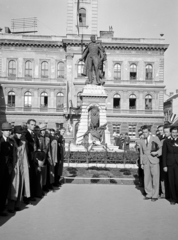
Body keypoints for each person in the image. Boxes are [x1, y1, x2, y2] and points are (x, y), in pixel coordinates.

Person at [8, 126, 30, 212]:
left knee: (20, 185)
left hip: (21, 166)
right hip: (13, 167)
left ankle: (18, 204)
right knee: (13, 187)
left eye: (21, 133)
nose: (20, 135)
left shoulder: (23, 142)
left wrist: (26, 165)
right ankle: (10, 206)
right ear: (14, 133)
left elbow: (24, 156)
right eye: (18, 133)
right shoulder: (11, 141)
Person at [139, 125, 162, 201]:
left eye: (146, 132)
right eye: (143, 132)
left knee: (155, 178)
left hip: (154, 160)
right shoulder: (142, 140)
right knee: (147, 178)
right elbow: (141, 153)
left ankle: (155, 195)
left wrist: (157, 153)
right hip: (146, 161)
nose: (144, 133)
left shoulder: (155, 138)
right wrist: (141, 163)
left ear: (149, 132)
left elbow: (161, 148)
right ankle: (149, 194)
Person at [21, 119, 39, 203]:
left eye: (34, 125)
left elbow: (36, 146)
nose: (33, 126)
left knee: (33, 177)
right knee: (27, 177)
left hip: (34, 159)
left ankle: (31, 194)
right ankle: (26, 196)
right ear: (27, 125)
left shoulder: (34, 134)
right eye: (31, 124)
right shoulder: (24, 134)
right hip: (27, 158)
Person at [0, 122, 14, 216]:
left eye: (9, 130)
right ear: (2, 131)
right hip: (0, 169)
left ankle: (1, 209)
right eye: (6, 130)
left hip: (7, 170)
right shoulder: (0, 141)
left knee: (4, 189)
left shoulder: (11, 141)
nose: (8, 132)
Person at [162, 126, 178, 205]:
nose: (175, 134)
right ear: (170, 133)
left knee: (177, 181)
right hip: (170, 164)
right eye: (173, 132)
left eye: (176, 132)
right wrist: (164, 165)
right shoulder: (166, 141)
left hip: (177, 164)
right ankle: (173, 198)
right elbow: (164, 154)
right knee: (171, 181)